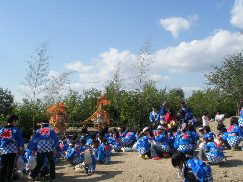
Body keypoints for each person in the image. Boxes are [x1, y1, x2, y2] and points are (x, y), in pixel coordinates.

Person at [0, 114, 24, 182]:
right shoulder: (15, 130)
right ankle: (8, 179)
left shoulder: (2, 130)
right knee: (11, 167)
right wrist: (20, 149)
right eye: (16, 121)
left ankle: (2, 179)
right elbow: (19, 140)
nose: (16, 123)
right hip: (12, 151)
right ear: (13, 121)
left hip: (3, 151)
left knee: (3, 166)